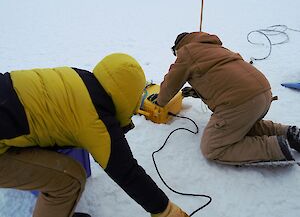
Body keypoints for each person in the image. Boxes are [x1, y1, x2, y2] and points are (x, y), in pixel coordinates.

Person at [0, 53, 189, 217]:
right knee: (70, 179)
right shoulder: (96, 117)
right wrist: (165, 210)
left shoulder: (80, 78)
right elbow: (127, 172)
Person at [148, 31, 300, 165]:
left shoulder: (185, 52)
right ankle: (288, 133)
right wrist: (197, 91)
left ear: (177, 48)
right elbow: (220, 76)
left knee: (213, 147)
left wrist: (160, 101)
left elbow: (170, 84)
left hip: (241, 101)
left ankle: (275, 147)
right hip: (262, 92)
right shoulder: (213, 47)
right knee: (243, 126)